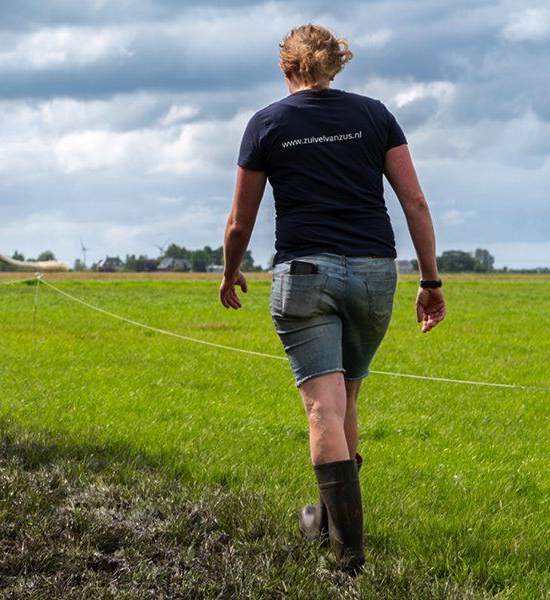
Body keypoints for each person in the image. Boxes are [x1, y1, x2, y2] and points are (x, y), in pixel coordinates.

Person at [218, 24, 447, 573]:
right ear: (335, 65)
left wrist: (229, 273)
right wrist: (431, 282)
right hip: (374, 274)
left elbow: (239, 221)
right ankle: (323, 523)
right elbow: (414, 201)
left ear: (286, 67)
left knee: (324, 407)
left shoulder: (266, 123)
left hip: (303, 275)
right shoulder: (374, 115)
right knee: (345, 400)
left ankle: (348, 558)